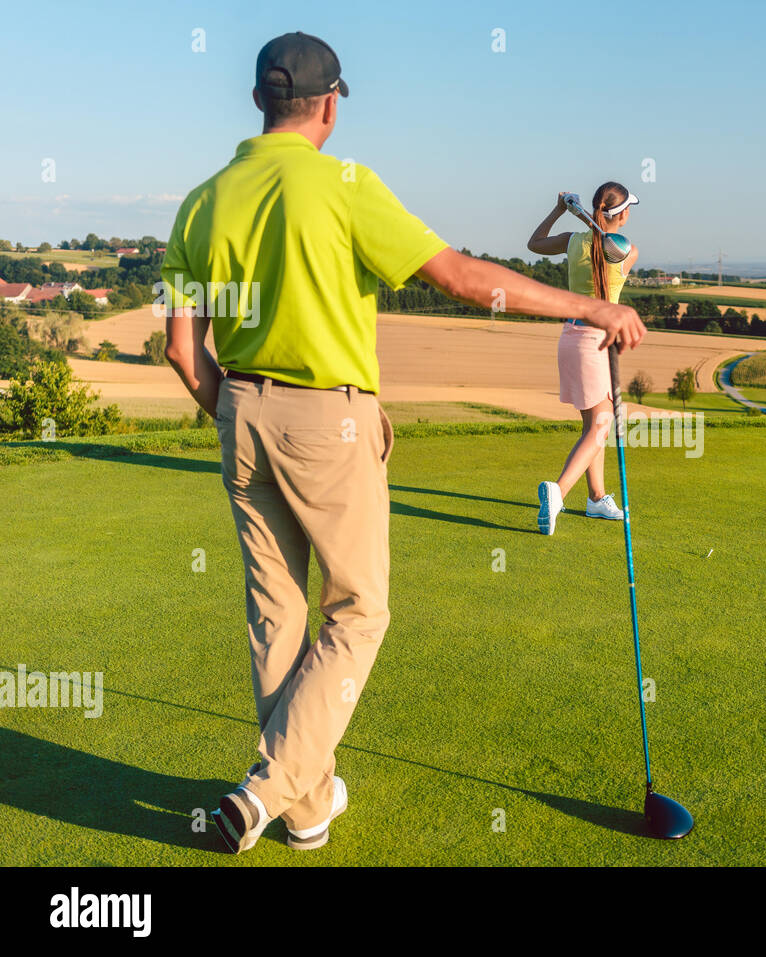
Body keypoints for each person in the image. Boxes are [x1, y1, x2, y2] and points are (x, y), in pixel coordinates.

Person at [161, 32, 644, 854]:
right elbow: (460, 276)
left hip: (237, 409)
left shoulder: (201, 200)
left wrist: (235, 414)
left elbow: (180, 346)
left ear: (256, 103)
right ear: (331, 104)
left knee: (276, 615)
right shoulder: (346, 186)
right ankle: (266, 792)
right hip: (328, 420)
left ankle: (308, 808)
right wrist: (597, 310)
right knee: (359, 610)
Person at [527, 183, 640, 535]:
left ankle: (596, 498)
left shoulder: (572, 241)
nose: (630, 213)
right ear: (620, 214)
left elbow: (535, 243)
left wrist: (560, 209)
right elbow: (612, 252)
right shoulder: (629, 250)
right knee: (602, 424)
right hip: (595, 342)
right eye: (629, 207)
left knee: (593, 423)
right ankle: (558, 493)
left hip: (571, 339)